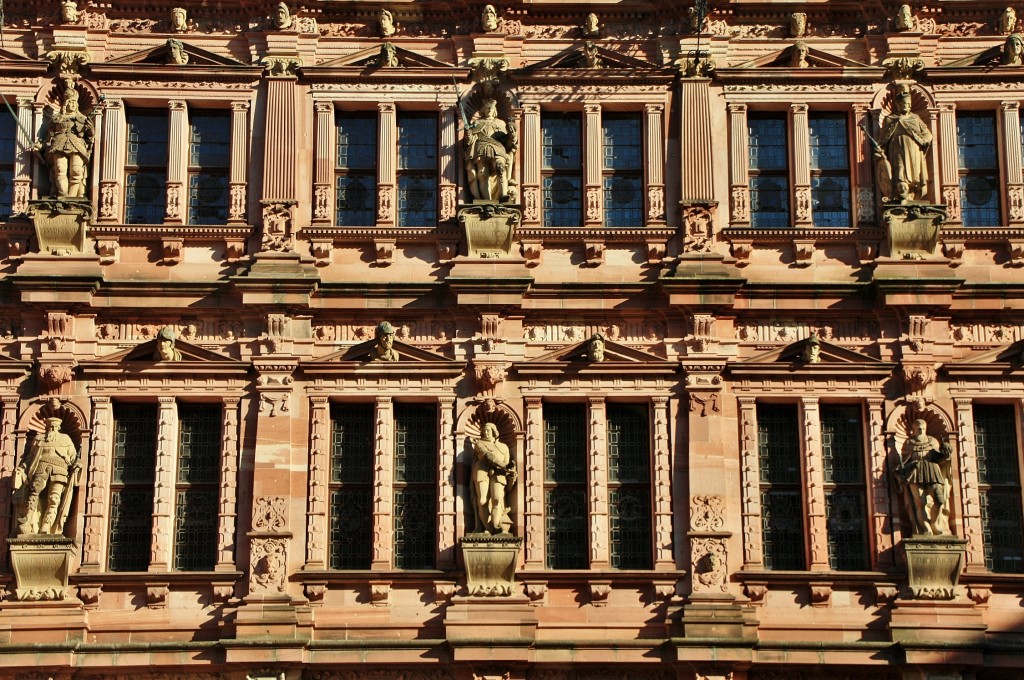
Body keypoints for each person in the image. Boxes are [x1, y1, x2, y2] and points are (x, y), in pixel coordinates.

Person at [14, 418, 79, 536]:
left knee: (54, 498)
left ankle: (47, 524)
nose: (51, 429)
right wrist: (23, 467)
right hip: (40, 468)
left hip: (60, 470)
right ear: (46, 427)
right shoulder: (39, 439)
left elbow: (73, 457)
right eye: (49, 427)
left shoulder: (65, 439)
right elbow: (30, 458)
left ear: (58, 428)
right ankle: (28, 519)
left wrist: (77, 464)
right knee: (34, 492)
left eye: (54, 427)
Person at [36, 82, 94, 199]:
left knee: (76, 171)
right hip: (58, 143)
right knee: (59, 169)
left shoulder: (82, 119)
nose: (72, 104)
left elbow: (89, 138)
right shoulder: (57, 119)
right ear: (65, 103)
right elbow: (48, 138)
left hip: (77, 144)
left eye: (74, 102)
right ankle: (62, 195)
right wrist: (40, 146)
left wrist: (90, 130)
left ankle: (72, 198)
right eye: (70, 102)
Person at [876, 84, 932, 203]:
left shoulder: (915, 118)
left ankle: (912, 192)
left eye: (908, 104)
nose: (907, 106)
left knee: (914, 172)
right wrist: (879, 150)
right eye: (904, 104)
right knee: (900, 170)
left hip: (914, 149)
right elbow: (883, 139)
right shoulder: (890, 119)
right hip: (896, 149)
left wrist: (924, 140)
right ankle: (902, 190)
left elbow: (927, 134)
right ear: (898, 105)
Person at [898, 419, 953, 536]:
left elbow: (939, 457)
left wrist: (946, 452)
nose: (922, 430)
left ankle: (935, 524)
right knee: (920, 503)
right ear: (914, 430)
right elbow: (904, 460)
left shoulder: (932, 440)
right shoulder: (909, 442)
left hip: (932, 470)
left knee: (939, 499)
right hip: (915, 473)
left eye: (923, 428)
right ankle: (925, 528)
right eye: (919, 429)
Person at [464, 99, 516, 202]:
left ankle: (503, 195)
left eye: (491, 108)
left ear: (494, 110)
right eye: (487, 108)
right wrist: (468, 133)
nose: (489, 110)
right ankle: (486, 200)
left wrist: (512, 135)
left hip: (498, 148)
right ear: (483, 110)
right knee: (482, 174)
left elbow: (507, 142)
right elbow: (470, 141)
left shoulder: (500, 123)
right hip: (481, 148)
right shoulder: (477, 122)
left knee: (500, 168)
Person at [471, 422, 516, 534]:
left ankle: (495, 526)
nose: (486, 432)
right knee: (482, 500)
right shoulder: (479, 443)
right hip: (482, 470)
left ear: (494, 432)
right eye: (484, 430)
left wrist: (511, 470)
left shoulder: (504, 447)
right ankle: (487, 528)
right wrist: (506, 467)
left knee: (497, 499)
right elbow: (488, 456)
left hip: (499, 474)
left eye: (488, 430)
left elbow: (507, 461)